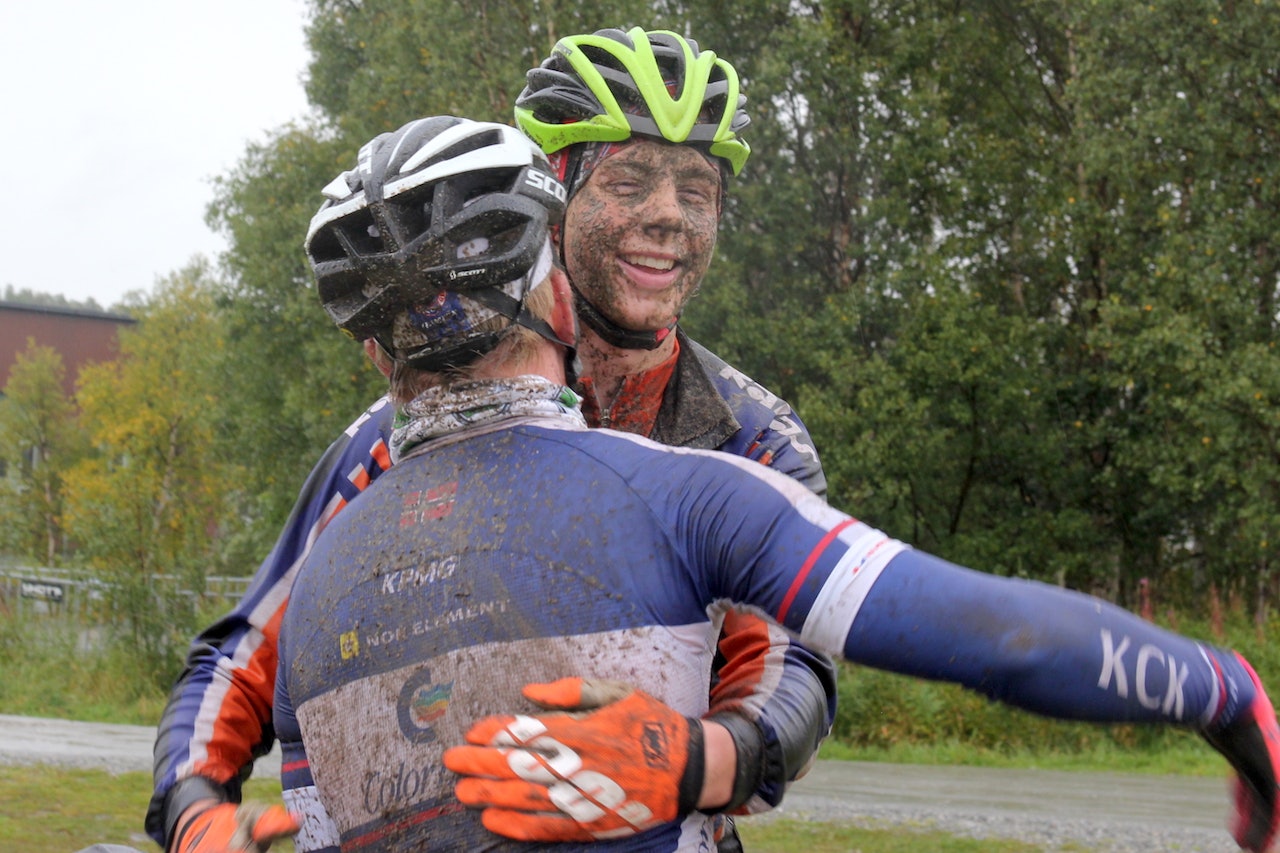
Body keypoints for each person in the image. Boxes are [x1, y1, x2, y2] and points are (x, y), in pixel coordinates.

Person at [271, 113, 1280, 853]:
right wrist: (1226, 696)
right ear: (558, 298)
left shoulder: (309, 597)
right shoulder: (690, 494)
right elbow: (1000, 637)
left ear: (374, 359)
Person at [147, 26, 834, 853]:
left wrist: (706, 756)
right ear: (550, 205)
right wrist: (195, 811)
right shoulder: (403, 432)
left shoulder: (750, 435)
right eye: (628, 180)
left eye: (697, 189)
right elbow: (242, 655)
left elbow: (789, 669)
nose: (667, 216)